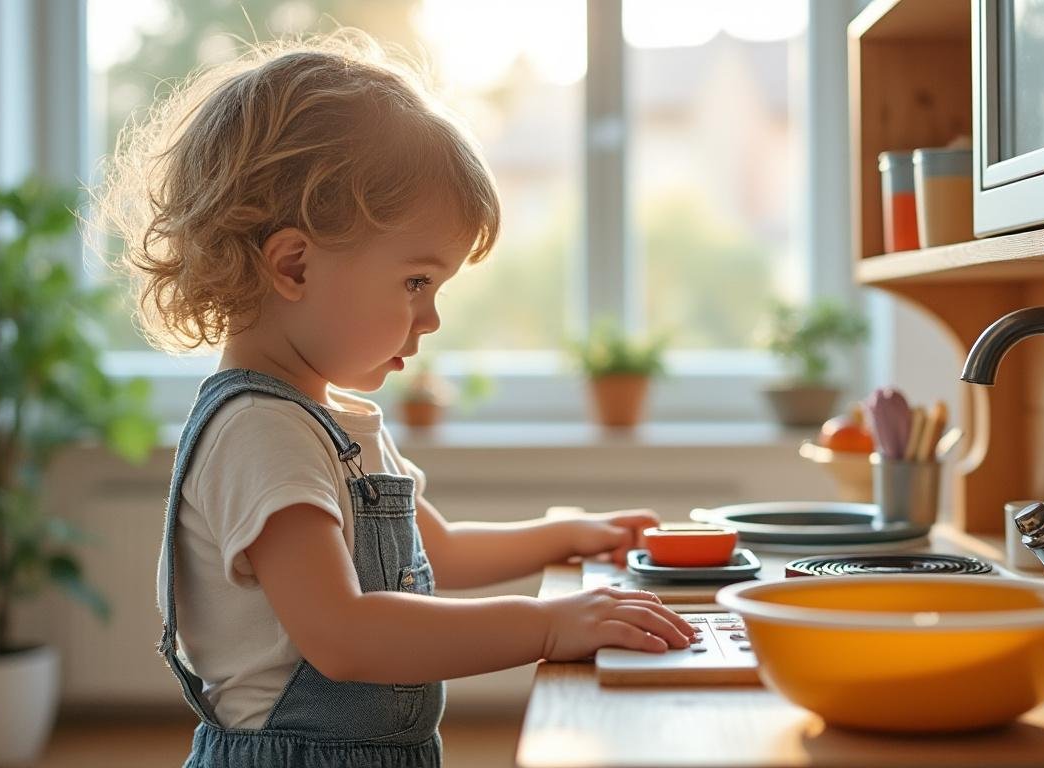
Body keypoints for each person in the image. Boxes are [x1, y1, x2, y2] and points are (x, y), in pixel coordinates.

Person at [94, 30, 694, 767]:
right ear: (293, 264)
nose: (432, 317)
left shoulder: (325, 423)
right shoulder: (259, 432)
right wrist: (546, 625)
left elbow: (435, 550)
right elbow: (344, 636)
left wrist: (566, 533)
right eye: (417, 282)